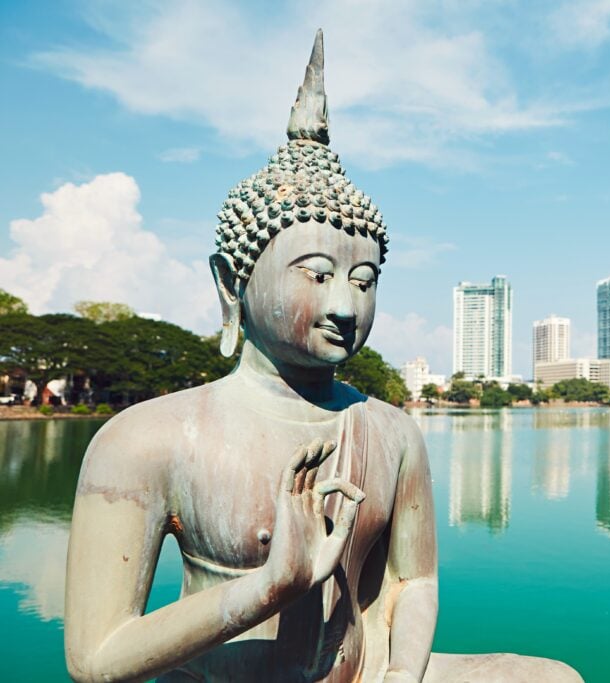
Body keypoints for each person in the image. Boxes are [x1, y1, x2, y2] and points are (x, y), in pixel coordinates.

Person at [64, 30, 581, 683]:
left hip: (365, 671)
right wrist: (265, 589)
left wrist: (402, 671)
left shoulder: (391, 432)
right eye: (316, 273)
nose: (345, 304)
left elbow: (412, 581)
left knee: (553, 678)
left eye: (364, 281)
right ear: (232, 283)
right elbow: (95, 654)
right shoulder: (147, 440)